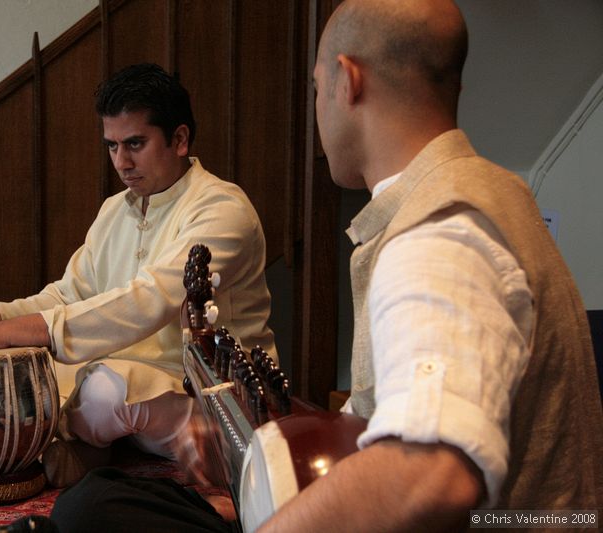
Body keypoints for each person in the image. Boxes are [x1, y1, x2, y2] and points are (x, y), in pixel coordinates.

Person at [48, 0, 603, 531]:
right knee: (111, 501)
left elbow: (429, 477)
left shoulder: (436, 236)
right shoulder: (498, 190)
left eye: (316, 88)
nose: (318, 106)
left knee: (89, 511)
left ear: (347, 79)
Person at [0, 62, 276, 488]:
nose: (122, 161)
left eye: (135, 143)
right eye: (112, 146)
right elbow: (71, 293)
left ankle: (95, 446)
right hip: (130, 389)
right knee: (13, 366)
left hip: (212, 402)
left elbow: (150, 299)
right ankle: (100, 444)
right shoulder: (115, 211)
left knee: (102, 393)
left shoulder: (222, 208)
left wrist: (18, 333)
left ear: (179, 139)